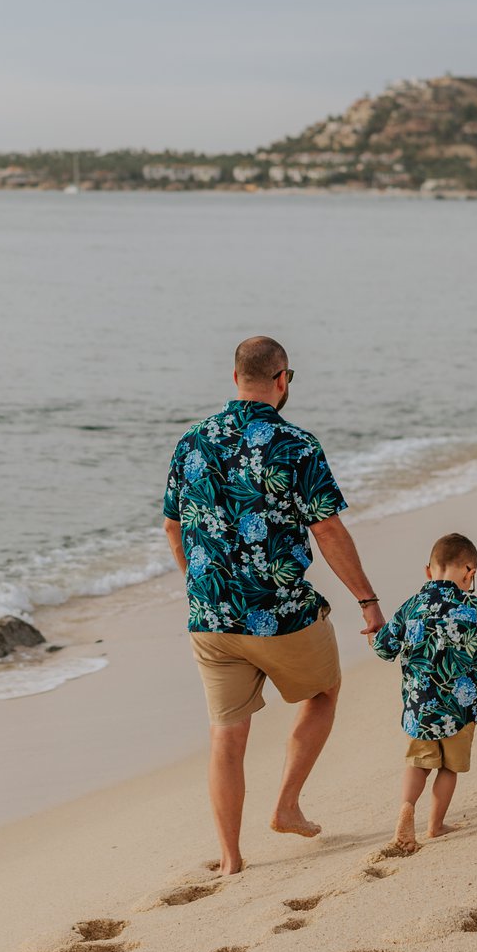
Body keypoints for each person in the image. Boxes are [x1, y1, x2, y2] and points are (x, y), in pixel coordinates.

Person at [162, 336, 385, 876]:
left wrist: (200, 584)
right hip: (281, 614)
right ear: (282, 379)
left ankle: (231, 857)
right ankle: (286, 805)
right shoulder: (296, 445)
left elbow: (173, 524)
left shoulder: (192, 441)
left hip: (210, 618)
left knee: (226, 734)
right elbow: (328, 530)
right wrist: (368, 603)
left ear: (234, 376)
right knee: (324, 692)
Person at [371, 532, 477, 851]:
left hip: (420, 706)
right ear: (470, 572)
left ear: (428, 571)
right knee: (448, 768)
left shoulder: (410, 607)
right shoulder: (471, 605)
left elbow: (382, 649)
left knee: (419, 763)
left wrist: (373, 633)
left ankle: (407, 811)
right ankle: (435, 825)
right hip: (459, 708)